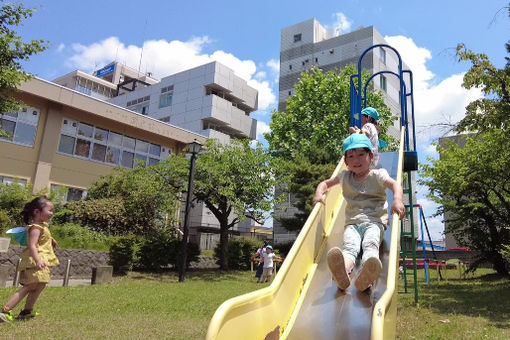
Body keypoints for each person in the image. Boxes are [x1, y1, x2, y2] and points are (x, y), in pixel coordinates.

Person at [313, 134, 405, 291]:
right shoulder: (344, 177)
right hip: (353, 223)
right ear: (346, 161)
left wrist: (397, 200)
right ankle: (343, 273)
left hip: (374, 221)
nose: (356, 160)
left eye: (361, 154)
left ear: (371, 156)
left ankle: (367, 274)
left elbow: (395, 185)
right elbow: (325, 183)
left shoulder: (378, 175)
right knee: (349, 247)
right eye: (351, 156)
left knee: (370, 243)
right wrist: (318, 194)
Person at [0, 196, 59, 322]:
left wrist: (51, 239)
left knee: (40, 284)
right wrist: (38, 260)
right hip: (36, 261)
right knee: (30, 285)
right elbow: (32, 245)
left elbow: (43, 237)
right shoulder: (35, 227)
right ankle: (6, 310)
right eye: (50, 210)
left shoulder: (42, 226)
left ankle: (27, 311)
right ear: (37, 212)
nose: (52, 213)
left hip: (40, 260)